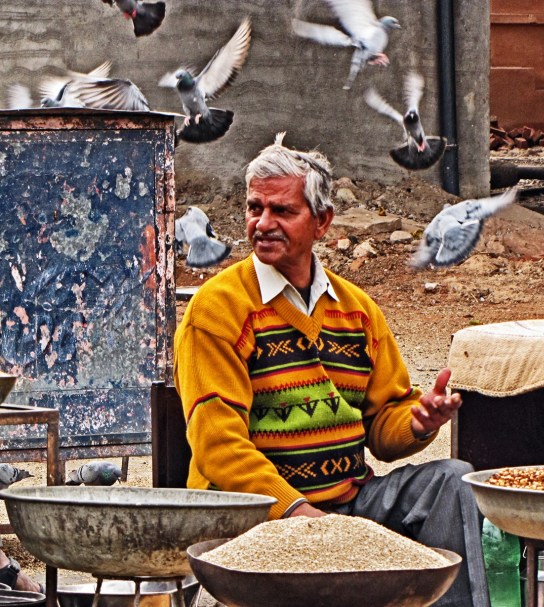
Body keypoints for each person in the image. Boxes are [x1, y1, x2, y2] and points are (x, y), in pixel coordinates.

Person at [173, 133, 489, 607]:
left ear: (322, 221)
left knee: (452, 480)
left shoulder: (356, 310)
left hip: (345, 504)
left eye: (282, 211)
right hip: (252, 516)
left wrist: (418, 422)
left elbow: (383, 425)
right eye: (255, 208)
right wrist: (299, 514)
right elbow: (218, 444)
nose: (263, 223)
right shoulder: (218, 308)